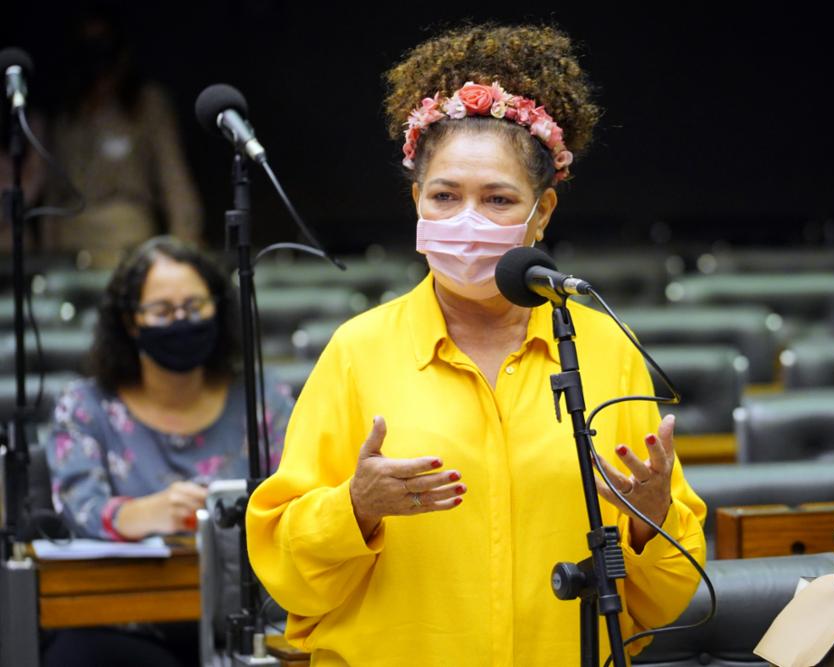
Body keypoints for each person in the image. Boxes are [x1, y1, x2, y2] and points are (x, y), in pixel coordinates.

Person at [246, 23, 707, 666]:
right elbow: (285, 575)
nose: (467, 221)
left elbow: (664, 600)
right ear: (416, 202)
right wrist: (355, 508)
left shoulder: (601, 347)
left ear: (541, 212)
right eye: (444, 196)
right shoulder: (357, 352)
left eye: (497, 199)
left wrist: (647, 518)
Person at [43, 235, 293, 667]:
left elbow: (300, 499)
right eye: (162, 311)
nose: (181, 321)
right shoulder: (85, 407)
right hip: (123, 621)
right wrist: (143, 513)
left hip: (254, 617)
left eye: (195, 307)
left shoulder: (264, 401)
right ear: (130, 322)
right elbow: (76, 507)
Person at [43, 7, 202, 268]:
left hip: (126, 235)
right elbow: (53, 192)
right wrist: (46, 256)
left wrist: (186, 243)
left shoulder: (146, 105)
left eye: (104, 47)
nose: (97, 61)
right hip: (72, 243)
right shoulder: (67, 114)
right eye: (88, 48)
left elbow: (174, 179)